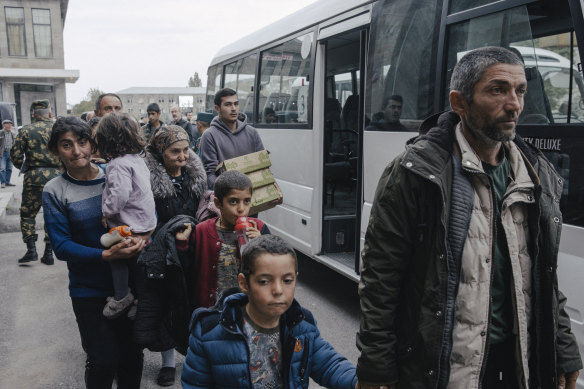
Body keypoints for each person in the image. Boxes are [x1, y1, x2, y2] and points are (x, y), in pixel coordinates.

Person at [356, 46, 582, 389]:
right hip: (447, 362)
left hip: (518, 357)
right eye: (498, 90)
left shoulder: (536, 173)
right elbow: (381, 279)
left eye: (520, 91)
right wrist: (376, 367)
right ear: (460, 102)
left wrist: (563, 346)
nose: (515, 104)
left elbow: (543, 275)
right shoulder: (416, 172)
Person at [42, 116, 145, 388]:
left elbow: (146, 207)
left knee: (132, 357)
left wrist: (143, 238)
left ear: (92, 143)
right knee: (102, 360)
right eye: (66, 145)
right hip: (88, 290)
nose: (77, 151)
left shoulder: (115, 174)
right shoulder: (54, 190)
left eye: (82, 141)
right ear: (55, 151)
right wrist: (104, 256)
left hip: (129, 286)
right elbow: (61, 246)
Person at [181, 234, 358, 389]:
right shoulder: (209, 331)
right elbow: (195, 384)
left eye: (287, 280)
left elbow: (329, 365)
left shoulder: (301, 325)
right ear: (244, 283)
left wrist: (359, 382)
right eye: (265, 281)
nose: (278, 290)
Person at [138, 124, 208, 386]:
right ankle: (168, 363)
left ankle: (196, 357)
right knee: (167, 306)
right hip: (163, 253)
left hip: (193, 249)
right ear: (160, 152)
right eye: (174, 151)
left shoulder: (195, 177)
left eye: (186, 150)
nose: (182, 157)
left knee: (194, 304)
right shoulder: (148, 181)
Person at [176, 170, 270, 308]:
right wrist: (182, 244)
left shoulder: (259, 228)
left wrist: (262, 244)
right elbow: (186, 271)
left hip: (248, 308)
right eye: (233, 201)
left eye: (247, 201)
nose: (241, 209)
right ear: (218, 203)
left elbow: (273, 268)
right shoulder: (201, 231)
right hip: (211, 310)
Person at [95, 113, 157, 318]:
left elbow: (119, 195)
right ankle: (143, 299)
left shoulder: (117, 165)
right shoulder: (137, 159)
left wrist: (106, 211)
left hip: (130, 225)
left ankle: (122, 296)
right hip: (146, 222)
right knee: (139, 265)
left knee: (113, 253)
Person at [10, 100, 62, 265]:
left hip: (34, 176)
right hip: (56, 176)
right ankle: (49, 253)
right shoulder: (57, 129)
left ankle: (31, 250)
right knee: (52, 214)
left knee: (27, 214)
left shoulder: (26, 130)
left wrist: (28, 168)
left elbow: (16, 156)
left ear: (33, 114)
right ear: (49, 113)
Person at [200, 88, 264, 188]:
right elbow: (210, 174)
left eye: (236, 104)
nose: (233, 108)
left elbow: (263, 165)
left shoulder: (252, 132)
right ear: (217, 108)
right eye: (228, 104)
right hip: (228, 199)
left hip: (253, 195)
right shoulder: (209, 135)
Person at [0, 119, 17, 188]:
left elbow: (14, 143)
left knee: (9, 168)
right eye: (7, 124)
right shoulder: (1, 132)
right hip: (2, 153)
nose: (9, 125)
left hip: (10, 152)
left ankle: (7, 182)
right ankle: (3, 182)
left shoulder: (12, 133)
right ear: (4, 125)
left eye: (10, 124)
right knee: (2, 169)